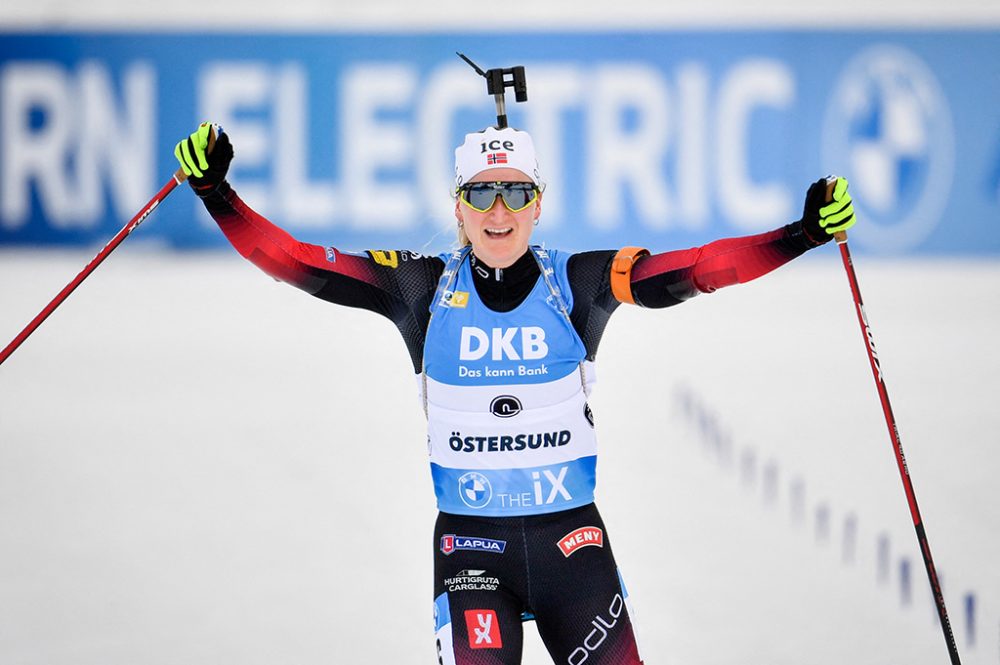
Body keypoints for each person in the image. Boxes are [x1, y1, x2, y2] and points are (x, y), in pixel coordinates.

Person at [175, 120, 855, 664]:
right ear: (457, 206)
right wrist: (219, 196)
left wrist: (799, 235)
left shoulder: (579, 283)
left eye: (515, 192)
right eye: (479, 193)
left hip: (573, 550)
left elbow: (696, 269)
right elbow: (294, 261)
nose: (497, 212)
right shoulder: (419, 288)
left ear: (539, 203)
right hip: (472, 552)